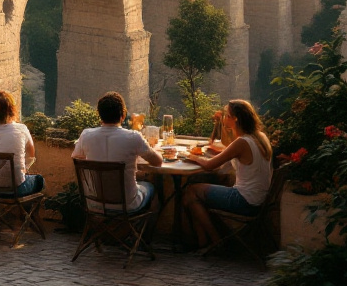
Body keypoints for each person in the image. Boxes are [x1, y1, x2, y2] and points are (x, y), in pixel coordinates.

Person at [183, 99, 273, 248]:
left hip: (245, 201)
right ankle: (203, 242)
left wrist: (191, 156)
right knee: (205, 186)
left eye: (227, 115)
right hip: (259, 200)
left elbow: (210, 165)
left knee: (191, 191)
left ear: (235, 119)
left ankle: (215, 241)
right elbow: (233, 151)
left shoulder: (242, 142)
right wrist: (219, 149)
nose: (224, 117)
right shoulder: (260, 137)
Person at [72, 92, 163, 213]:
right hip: (128, 205)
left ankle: (108, 224)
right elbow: (157, 161)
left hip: (94, 203)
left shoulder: (86, 135)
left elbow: (77, 158)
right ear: (123, 115)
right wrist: (156, 149)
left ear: (99, 115)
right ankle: (144, 225)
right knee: (151, 187)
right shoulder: (133, 137)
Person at [0, 90, 43, 197]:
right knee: (39, 180)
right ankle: (26, 208)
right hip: (16, 189)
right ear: (12, 110)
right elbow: (31, 155)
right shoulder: (22, 129)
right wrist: (23, 169)